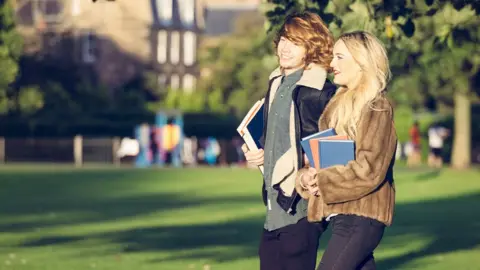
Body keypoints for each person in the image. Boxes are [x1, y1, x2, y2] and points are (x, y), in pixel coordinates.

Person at [242, 11, 336, 270]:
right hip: (273, 209)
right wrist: (257, 151)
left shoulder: (320, 91)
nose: (284, 47)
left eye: (295, 42)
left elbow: (335, 151)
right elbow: (274, 138)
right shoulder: (276, 83)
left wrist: (308, 174)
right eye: (284, 38)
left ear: (312, 47)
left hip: (301, 209)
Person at [297, 31, 397, 270]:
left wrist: (323, 180)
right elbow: (324, 161)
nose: (331, 64)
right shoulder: (336, 108)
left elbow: (370, 169)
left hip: (362, 217)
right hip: (342, 216)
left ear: (361, 62)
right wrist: (307, 176)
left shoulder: (377, 108)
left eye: (339, 57)